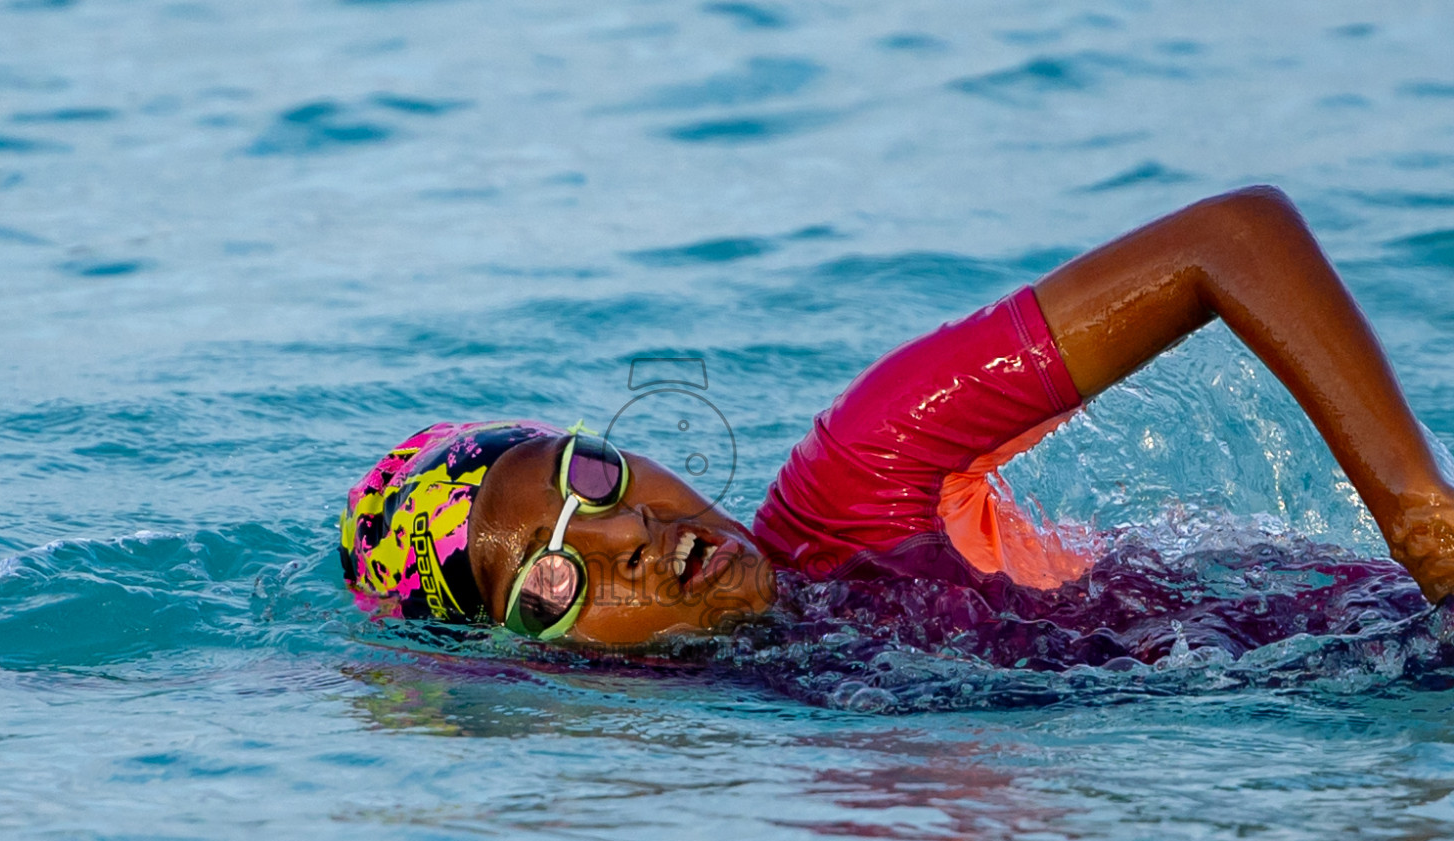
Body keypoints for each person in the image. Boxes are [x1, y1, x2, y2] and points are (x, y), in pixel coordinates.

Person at [339, 186, 1454, 646]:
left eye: (592, 481)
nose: (634, 539)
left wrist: (1420, 520)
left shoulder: (864, 473)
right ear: (533, 663)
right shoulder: (771, 734)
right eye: (550, 581)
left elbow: (1233, 237)